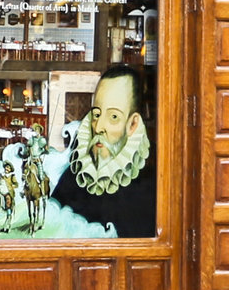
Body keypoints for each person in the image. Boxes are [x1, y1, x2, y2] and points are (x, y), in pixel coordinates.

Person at [52, 63, 157, 237]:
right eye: (96, 115)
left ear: (133, 124)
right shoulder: (78, 173)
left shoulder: (155, 176)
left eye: (113, 117)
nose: (99, 127)